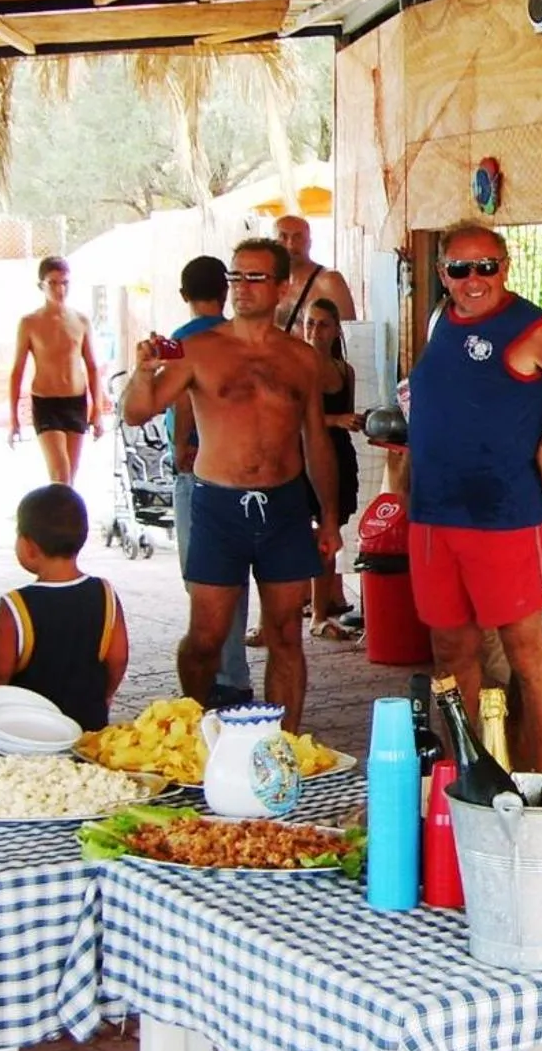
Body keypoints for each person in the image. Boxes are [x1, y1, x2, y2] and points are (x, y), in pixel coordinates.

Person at [408, 223, 542, 766]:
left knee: (527, 655)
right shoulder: (442, 320)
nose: (474, 280)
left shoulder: (531, 328)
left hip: (503, 516)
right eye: (461, 269)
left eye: (486, 267)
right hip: (434, 514)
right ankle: (470, 775)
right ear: (443, 275)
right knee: (450, 652)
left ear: (505, 268)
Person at [120, 237, 340, 732]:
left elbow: (316, 441)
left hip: (284, 506)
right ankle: (195, 734)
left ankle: (283, 745)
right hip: (219, 505)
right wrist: (142, 372)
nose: (241, 288)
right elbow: (136, 412)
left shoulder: (301, 358)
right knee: (207, 637)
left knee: (286, 633)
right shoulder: (197, 349)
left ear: (282, 286)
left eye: (255, 277)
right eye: (236, 277)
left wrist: (328, 517)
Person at [166, 256, 254, 707]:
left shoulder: (182, 343)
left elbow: (182, 399)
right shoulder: (239, 339)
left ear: (184, 296)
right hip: (240, 474)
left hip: (199, 471)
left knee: (202, 583)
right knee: (233, 582)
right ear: (225, 293)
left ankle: (214, 681)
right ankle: (234, 672)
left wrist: (182, 447)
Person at [0, 484, 128, 730]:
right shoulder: (105, 593)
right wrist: (105, 696)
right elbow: (118, 659)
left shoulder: (15, 606)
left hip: (28, 733)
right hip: (87, 728)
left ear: (29, 546)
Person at [8, 256, 104, 486]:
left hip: (76, 401)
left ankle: (66, 521)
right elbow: (17, 371)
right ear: (41, 285)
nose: (60, 289)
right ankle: (55, 518)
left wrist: (98, 410)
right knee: (60, 473)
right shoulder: (30, 323)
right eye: (53, 283)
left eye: (65, 283)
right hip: (46, 403)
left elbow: (92, 367)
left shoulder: (81, 321)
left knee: (70, 477)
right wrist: (14, 418)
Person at [301, 297, 361, 638]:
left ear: (336, 330)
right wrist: (335, 419)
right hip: (302, 453)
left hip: (337, 453)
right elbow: (292, 419)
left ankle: (320, 613)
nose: (315, 331)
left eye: (323, 325)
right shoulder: (296, 366)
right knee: (298, 534)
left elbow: (345, 417)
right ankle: (290, 610)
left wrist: (350, 422)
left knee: (328, 534)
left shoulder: (344, 371)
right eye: (310, 323)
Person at [271, 214, 356, 335]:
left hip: (310, 353)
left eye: (298, 237)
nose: (290, 245)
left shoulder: (328, 281)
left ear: (310, 243)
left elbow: (350, 336)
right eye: (283, 237)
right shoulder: (267, 282)